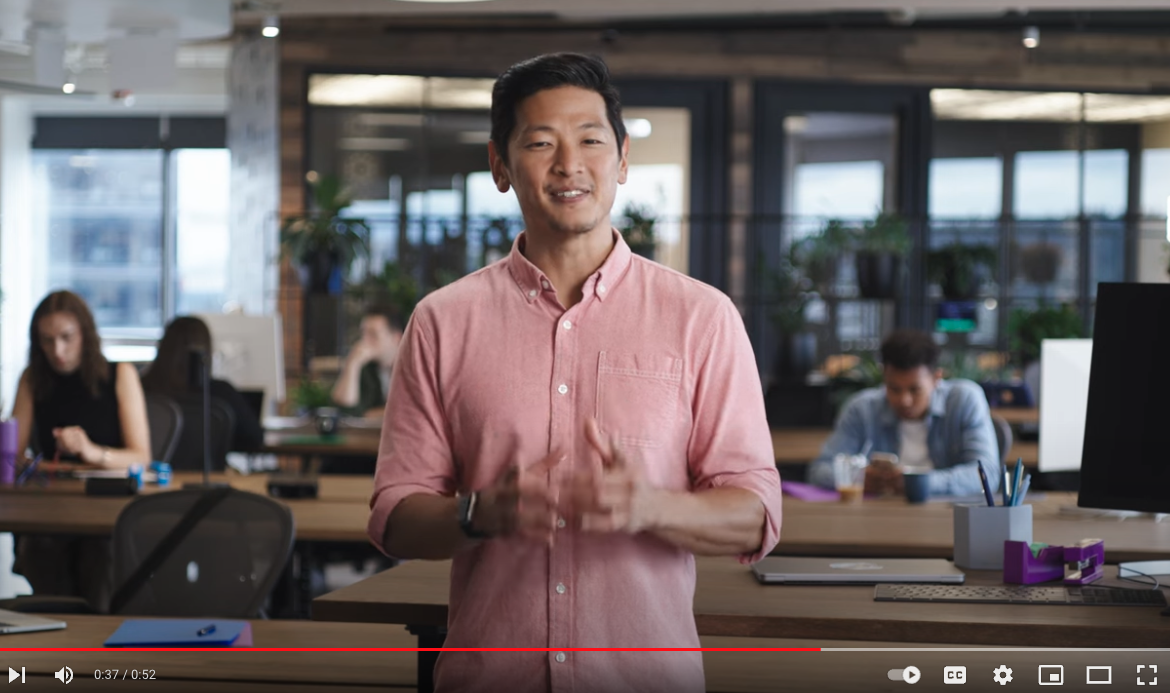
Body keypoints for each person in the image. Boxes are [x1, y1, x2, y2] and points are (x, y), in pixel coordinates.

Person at [368, 53, 781, 692]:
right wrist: (479, 513)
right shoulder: (442, 322)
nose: (570, 164)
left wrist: (650, 506)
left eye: (591, 140)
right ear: (500, 166)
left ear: (621, 160)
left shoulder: (702, 317)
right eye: (540, 143)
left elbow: (757, 514)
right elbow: (394, 516)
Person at [9, 290, 152, 611]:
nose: (57, 351)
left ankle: (91, 645)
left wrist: (92, 451)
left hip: (107, 506)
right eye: (46, 341)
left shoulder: (120, 375)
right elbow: (13, 455)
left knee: (99, 557)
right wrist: (29, 463)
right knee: (40, 551)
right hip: (53, 506)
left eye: (66, 337)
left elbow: (141, 456)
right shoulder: (33, 379)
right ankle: (57, 641)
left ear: (85, 334)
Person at [807, 329, 1001, 497]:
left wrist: (917, 482)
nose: (904, 400)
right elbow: (820, 470)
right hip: (878, 517)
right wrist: (859, 477)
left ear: (936, 378)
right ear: (884, 377)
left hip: (944, 517)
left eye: (915, 390)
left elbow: (987, 475)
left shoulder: (964, 399)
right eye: (894, 389)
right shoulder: (862, 409)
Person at [141, 315, 264, 453]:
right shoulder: (220, 392)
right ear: (206, 350)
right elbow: (254, 439)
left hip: (151, 472)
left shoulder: (140, 389)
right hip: (209, 474)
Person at [330, 304, 404, 418]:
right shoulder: (366, 368)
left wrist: (370, 414)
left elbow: (411, 413)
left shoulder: (413, 367)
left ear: (396, 338)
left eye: (373, 334)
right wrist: (352, 364)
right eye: (363, 333)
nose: (364, 340)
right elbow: (343, 411)